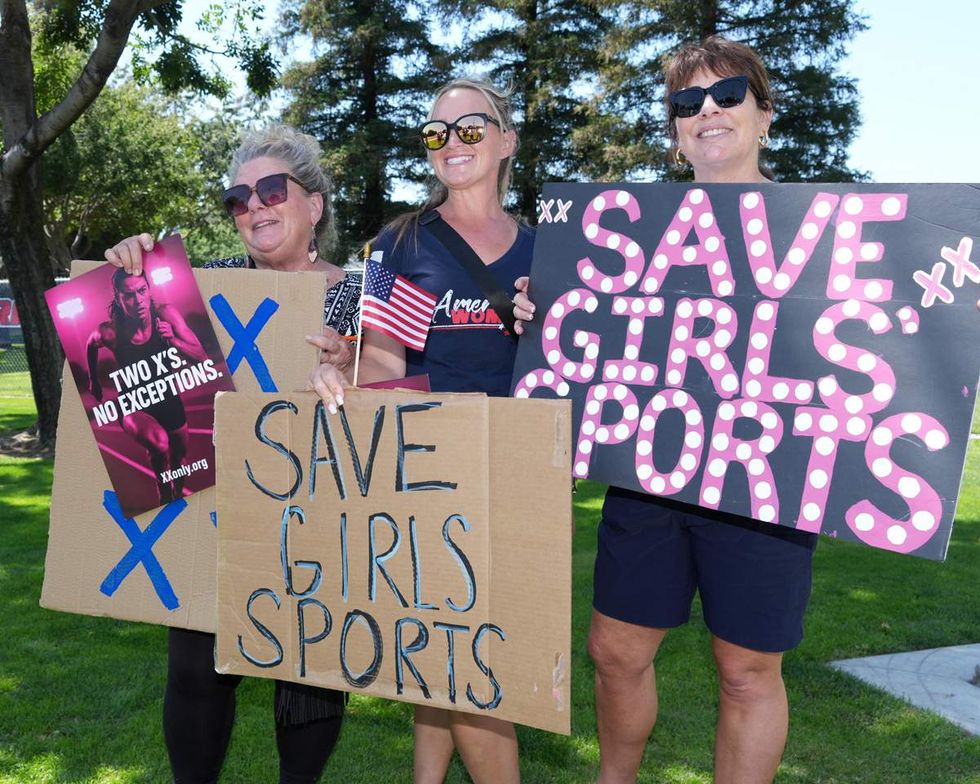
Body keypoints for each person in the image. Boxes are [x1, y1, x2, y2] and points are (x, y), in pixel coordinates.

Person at [515, 35, 817, 784]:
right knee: (615, 650)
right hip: (652, 467)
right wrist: (546, 313)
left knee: (747, 669)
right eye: (687, 103)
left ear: (764, 114)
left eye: (727, 95)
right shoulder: (631, 234)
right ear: (677, 131)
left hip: (762, 477)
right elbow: (589, 335)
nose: (707, 112)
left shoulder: (819, 229)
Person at [105, 125, 357, 784]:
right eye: (238, 198)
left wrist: (354, 364)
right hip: (216, 510)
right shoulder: (200, 297)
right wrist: (129, 267)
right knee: (195, 668)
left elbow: (399, 396)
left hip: (321, 512)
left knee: (309, 677)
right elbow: (133, 353)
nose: (254, 206)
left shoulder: (362, 294)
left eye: (272, 190)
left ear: (314, 205)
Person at [310, 77, 529, 784]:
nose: (452, 143)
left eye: (470, 128)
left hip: (519, 477)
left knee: (459, 651)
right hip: (430, 476)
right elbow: (383, 361)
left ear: (505, 142)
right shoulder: (397, 243)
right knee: (462, 656)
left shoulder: (547, 250)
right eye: (436, 133)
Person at [87, 267, 207, 505]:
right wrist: (93, 380)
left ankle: (176, 495)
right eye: (128, 295)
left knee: (179, 461)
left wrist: (173, 340)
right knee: (160, 444)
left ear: (149, 291)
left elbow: (201, 357)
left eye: (141, 291)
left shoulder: (167, 316)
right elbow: (91, 344)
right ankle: (163, 494)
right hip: (133, 404)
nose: (137, 300)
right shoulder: (110, 332)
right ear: (119, 299)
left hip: (167, 398)